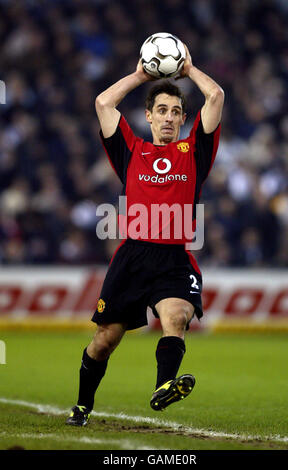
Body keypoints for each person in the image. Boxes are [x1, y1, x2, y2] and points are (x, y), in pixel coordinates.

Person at [66, 44, 224, 426]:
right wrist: (140, 76)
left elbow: (216, 95)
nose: (168, 118)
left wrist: (188, 69)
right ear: (149, 117)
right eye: (161, 111)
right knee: (105, 341)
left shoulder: (195, 151)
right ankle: (83, 405)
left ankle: (164, 384)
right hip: (133, 257)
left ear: (184, 118)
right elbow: (104, 103)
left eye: (175, 112)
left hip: (174, 258)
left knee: (177, 316)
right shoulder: (130, 150)